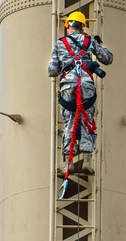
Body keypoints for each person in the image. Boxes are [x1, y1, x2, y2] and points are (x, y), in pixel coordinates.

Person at [48, 11, 113, 176]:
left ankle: (67, 164)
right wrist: (101, 44)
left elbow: (52, 71)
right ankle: (87, 161)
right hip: (86, 85)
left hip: (68, 86)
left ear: (68, 25)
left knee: (70, 122)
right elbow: (107, 58)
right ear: (82, 27)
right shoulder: (89, 41)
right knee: (87, 120)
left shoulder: (60, 43)